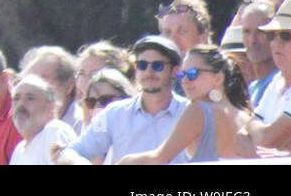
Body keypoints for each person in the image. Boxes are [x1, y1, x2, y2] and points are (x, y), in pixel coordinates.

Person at [54, 36, 188, 165]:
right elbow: (75, 152)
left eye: (157, 66)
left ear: (174, 71)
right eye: (142, 65)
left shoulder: (190, 112)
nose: (149, 71)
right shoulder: (115, 113)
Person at [116, 45, 257, 163]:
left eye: (193, 73)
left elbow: (159, 158)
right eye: (182, 75)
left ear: (218, 78)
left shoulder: (198, 110)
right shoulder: (244, 115)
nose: (184, 81)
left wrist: (123, 161)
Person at [248, 0, 291, 154]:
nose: (276, 43)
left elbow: (266, 141)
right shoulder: (277, 82)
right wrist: (261, 134)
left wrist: (253, 131)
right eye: (272, 35)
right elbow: (238, 140)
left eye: (285, 36)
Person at [9, 74, 77, 165]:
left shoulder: (54, 131)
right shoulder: (18, 150)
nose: (20, 104)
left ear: (50, 107)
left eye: (30, 98)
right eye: (16, 99)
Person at [21, 45, 81, 132]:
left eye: (42, 80)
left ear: (69, 87)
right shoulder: (27, 126)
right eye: (31, 80)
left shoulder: (81, 126)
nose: (33, 88)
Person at [240, 0, 279, 101]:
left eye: (260, 32)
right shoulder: (252, 89)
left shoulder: (281, 84)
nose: (252, 40)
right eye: (247, 32)